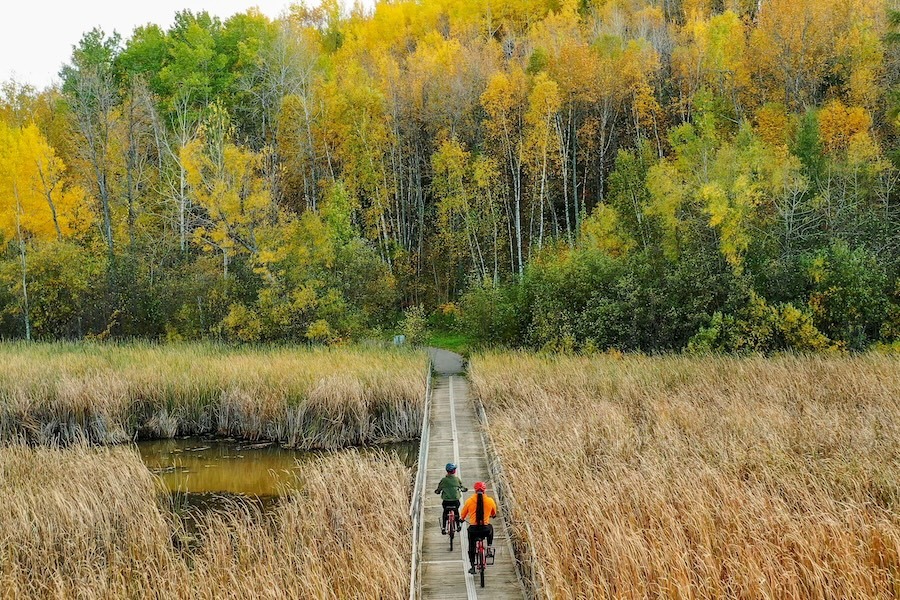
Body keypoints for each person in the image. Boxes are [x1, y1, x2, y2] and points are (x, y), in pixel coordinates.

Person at [460, 481, 497, 574]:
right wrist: (492, 515)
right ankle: (489, 548)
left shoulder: (469, 501)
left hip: (473, 530)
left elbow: (463, 514)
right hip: (485, 530)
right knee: (491, 528)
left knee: (471, 546)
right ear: (485, 490)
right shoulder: (490, 501)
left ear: (475, 490)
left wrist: (462, 519)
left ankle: (472, 566)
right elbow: (494, 513)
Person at [434, 462, 467, 534]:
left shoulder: (443, 480)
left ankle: (443, 527)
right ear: (454, 471)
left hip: (446, 501)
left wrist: (437, 491)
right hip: (455, 501)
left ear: (447, 471)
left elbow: (439, 489)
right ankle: (458, 525)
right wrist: (465, 489)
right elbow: (462, 488)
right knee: (456, 511)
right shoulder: (457, 480)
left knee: (445, 512)